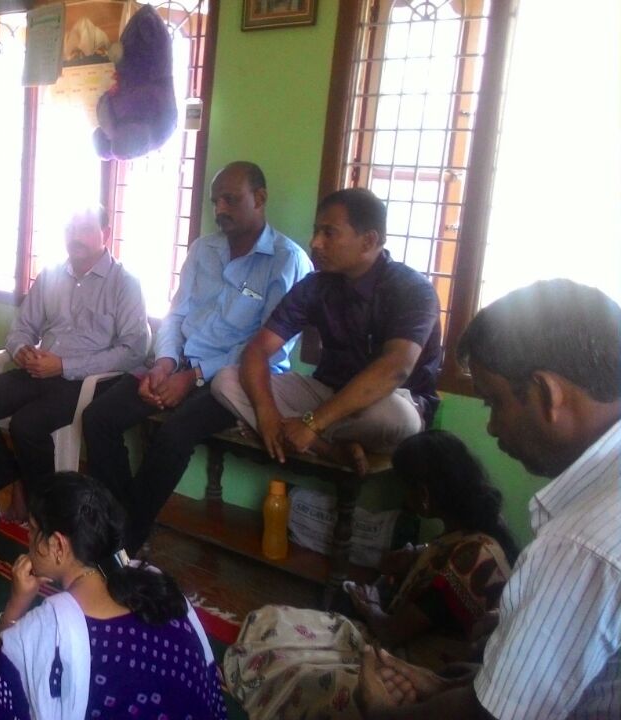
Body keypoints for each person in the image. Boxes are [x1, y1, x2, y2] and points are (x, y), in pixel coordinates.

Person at [355, 279, 621, 720]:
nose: (493, 429)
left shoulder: (579, 545)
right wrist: (487, 678)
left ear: (547, 393)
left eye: (493, 403)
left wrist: (384, 715)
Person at [82, 161, 312, 552]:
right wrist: (165, 363)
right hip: (178, 364)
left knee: (173, 435)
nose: (220, 209)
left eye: (231, 199)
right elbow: (176, 314)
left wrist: (194, 377)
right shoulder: (203, 250)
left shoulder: (287, 261)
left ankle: (124, 539)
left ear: (260, 198)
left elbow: (267, 347)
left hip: (237, 380)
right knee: (99, 417)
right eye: (215, 201)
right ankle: (120, 521)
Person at [224, 430, 518, 719]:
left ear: (424, 496)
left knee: (306, 675)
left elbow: (391, 631)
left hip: (422, 671)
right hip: (404, 648)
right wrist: (414, 557)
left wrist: (370, 605)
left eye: (405, 487)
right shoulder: (480, 531)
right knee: (275, 620)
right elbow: (435, 557)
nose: (403, 496)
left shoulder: (470, 558)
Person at [0, 472, 225, 719]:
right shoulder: (159, 584)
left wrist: (14, 608)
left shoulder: (50, 626)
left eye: (32, 531)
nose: (29, 541)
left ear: (58, 545)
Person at [212, 187, 442, 473]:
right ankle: (328, 449)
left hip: (392, 400)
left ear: (369, 240)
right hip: (328, 392)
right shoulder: (316, 285)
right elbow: (257, 350)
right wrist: (266, 413)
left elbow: (394, 370)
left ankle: (305, 435)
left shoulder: (412, 289)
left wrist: (312, 423)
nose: (315, 243)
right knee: (225, 381)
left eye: (329, 233)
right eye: (316, 231)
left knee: (395, 418)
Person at [0, 206, 149, 520]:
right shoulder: (51, 275)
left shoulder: (125, 283)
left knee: (26, 425)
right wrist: (22, 351)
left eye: (85, 228)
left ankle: (45, 510)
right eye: (70, 229)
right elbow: (21, 328)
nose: (75, 237)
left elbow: (134, 350)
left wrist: (64, 365)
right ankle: (14, 480)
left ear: (106, 235)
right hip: (38, 370)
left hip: (89, 381)